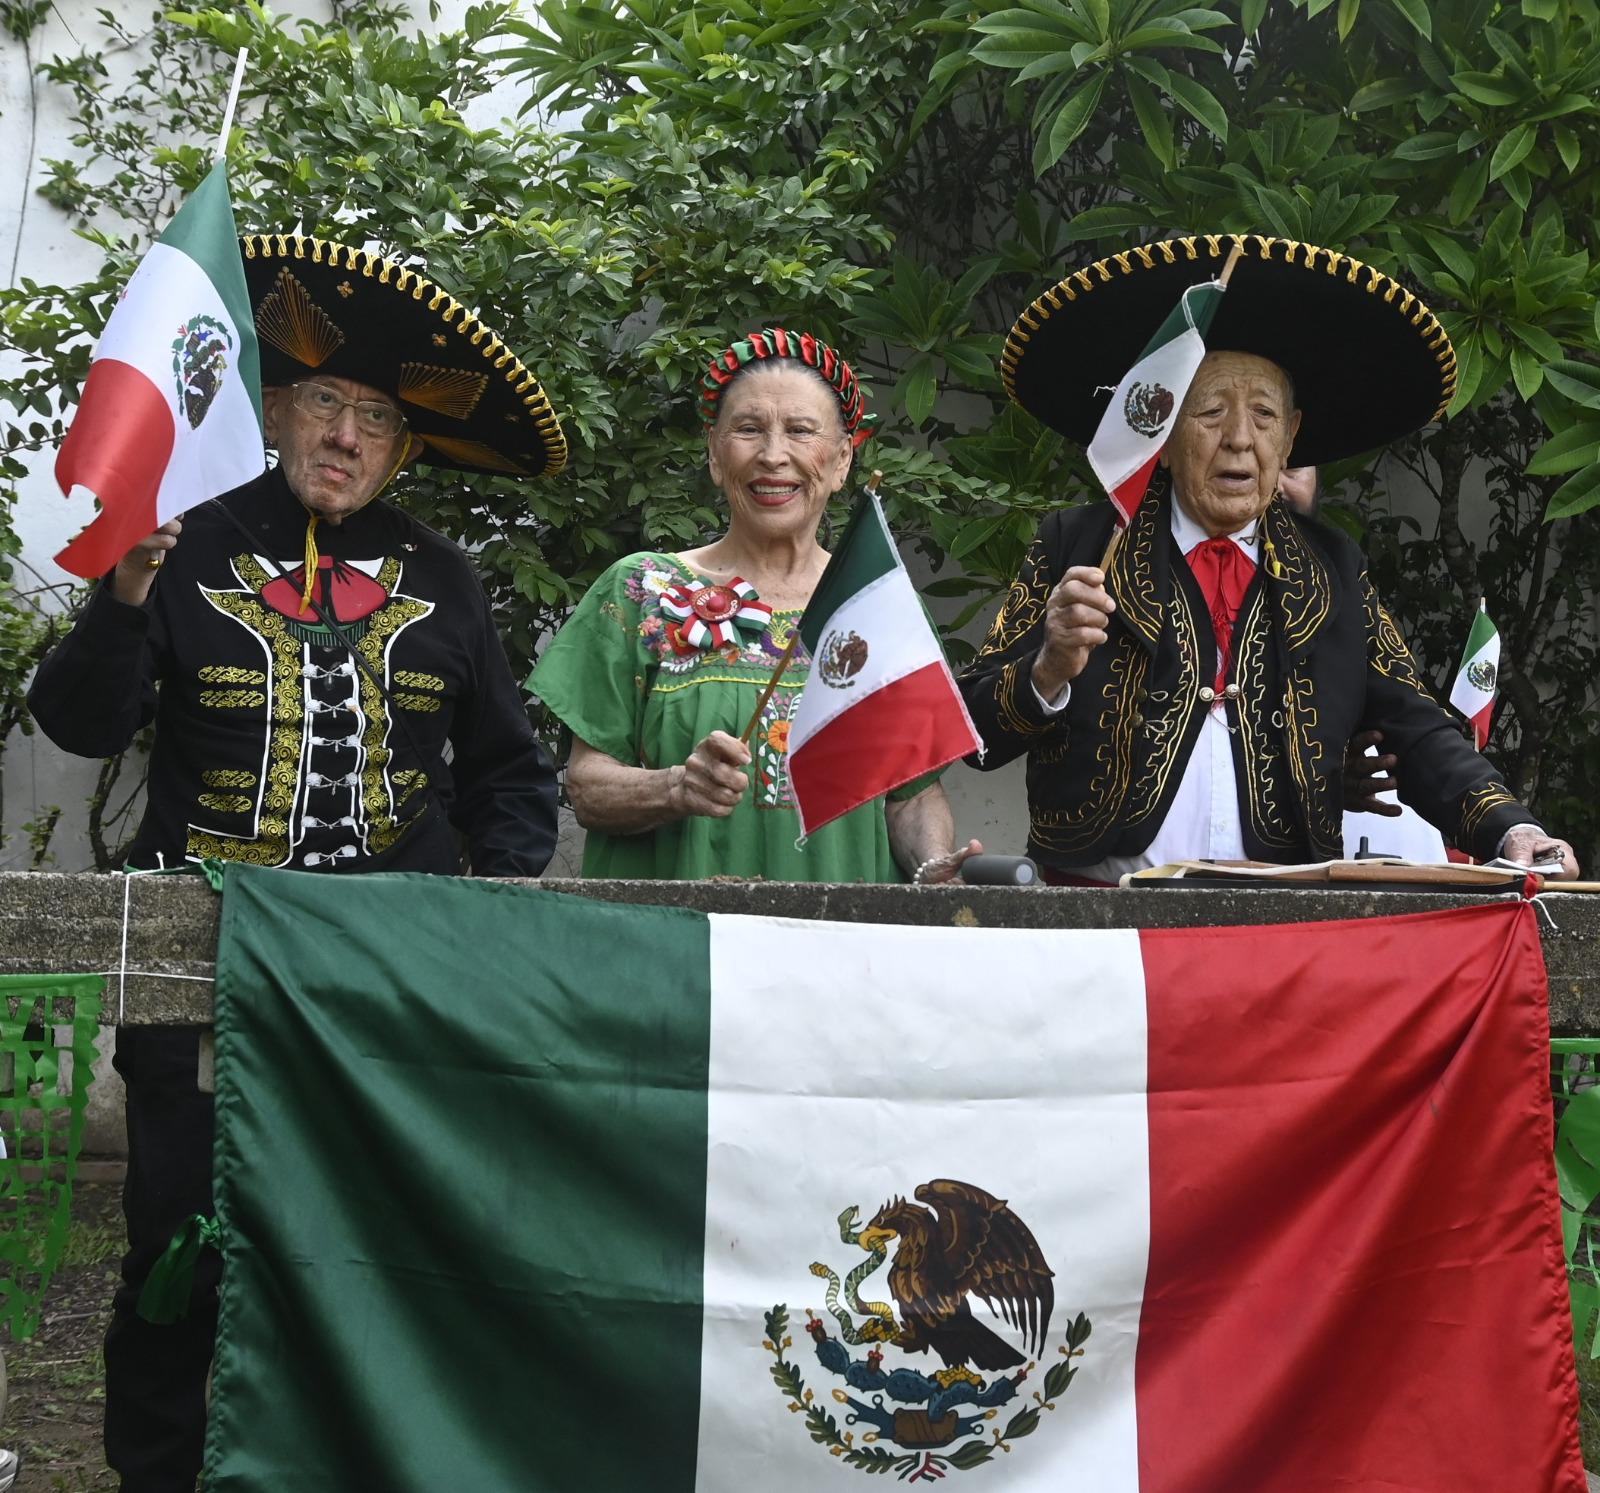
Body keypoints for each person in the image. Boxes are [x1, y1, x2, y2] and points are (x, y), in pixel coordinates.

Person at [29, 233, 567, 1492]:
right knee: (181, 1239)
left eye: (377, 418)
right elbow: (77, 725)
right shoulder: (182, 539)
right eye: (326, 401)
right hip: (203, 964)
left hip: (385, 970)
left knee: (371, 1235)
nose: (346, 434)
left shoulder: (444, 576)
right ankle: (161, 1470)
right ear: (274, 410)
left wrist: (495, 914)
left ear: (403, 449)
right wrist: (118, 597)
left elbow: (508, 774)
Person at [961, 233, 1578, 882]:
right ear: (1163, 435)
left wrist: (1511, 826)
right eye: (1210, 410)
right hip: (1099, 918)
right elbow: (973, 733)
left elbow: (1418, 727)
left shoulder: (1335, 569)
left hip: (1278, 923)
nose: (1238, 440)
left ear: (1290, 440)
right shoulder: (1076, 546)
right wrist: (1049, 668)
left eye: (1262, 415)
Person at [529, 327, 979, 884]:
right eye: (748, 430)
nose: (773, 455)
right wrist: (675, 787)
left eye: (800, 431)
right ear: (716, 456)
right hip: (684, 945)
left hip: (844, 944)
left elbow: (909, 796)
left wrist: (935, 867)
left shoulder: (876, 605)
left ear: (841, 463)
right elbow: (588, 786)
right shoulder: (643, 590)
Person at [1277, 464, 1449, 861]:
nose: (1271, 483)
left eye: (1291, 465)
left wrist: (1509, 825)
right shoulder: (1114, 563)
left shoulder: (1341, 571)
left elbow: (1412, 718)